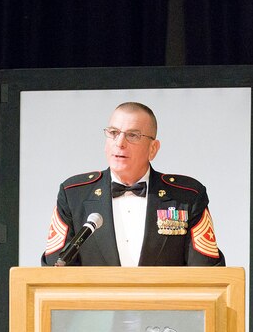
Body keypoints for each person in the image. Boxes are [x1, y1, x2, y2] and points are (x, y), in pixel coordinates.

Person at [41, 101, 224, 266]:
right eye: (113, 133)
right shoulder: (74, 195)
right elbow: (54, 269)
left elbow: (206, 271)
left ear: (153, 149)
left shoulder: (186, 196)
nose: (119, 143)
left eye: (133, 135)